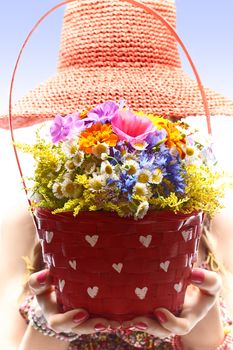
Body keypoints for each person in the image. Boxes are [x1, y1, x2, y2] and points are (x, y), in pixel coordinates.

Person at [1, 0, 233, 349]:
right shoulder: (30, 221)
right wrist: (51, 322)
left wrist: (199, 311)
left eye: (140, 108)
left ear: (171, 120)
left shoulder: (209, 223)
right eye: (95, 114)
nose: (114, 128)